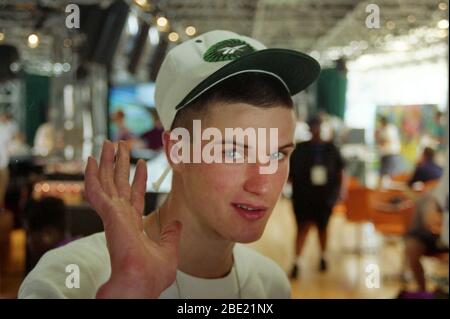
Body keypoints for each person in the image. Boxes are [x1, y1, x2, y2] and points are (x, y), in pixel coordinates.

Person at [19, 30, 320, 298]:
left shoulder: (271, 284)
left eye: (277, 155)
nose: (264, 184)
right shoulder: (69, 280)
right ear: (177, 151)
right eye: (232, 153)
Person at [289, 116, 345, 278]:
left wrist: (340, 192)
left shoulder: (331, 149)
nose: (317, 130)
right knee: (302, 228)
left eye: (320, 127)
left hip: (325, 196)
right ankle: (297, 261)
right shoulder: (300, 149)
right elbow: (290, 173)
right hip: (303, 196)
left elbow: (340, 171)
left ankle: (323, 256)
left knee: (323, 227)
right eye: (314, 126)